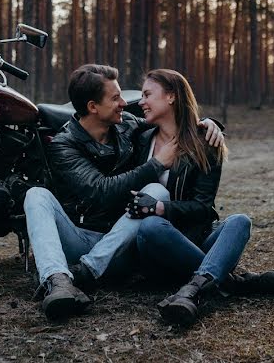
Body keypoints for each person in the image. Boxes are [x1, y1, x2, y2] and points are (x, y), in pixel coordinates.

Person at [23, 64, 224, 320]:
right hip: (81, 238)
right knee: (35, 195)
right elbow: (101, 191)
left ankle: (85, 273)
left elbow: (172, 122)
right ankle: (58, 281)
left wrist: (207, 125)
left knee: (154, 191)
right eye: (115, 98)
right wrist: (157, 164)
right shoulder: (64, 145)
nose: (124, 103)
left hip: (123, 245)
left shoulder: (127, 125)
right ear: (93, 107)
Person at [128, 69, 274, 326]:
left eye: (147, 94)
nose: (141, 101)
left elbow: (202, 208)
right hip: (157, 249)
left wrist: (159, 207)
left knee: (239, 221)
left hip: (196, 238)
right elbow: (116, 113)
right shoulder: (139, 137)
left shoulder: (205, 143)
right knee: (151, 226)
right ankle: (232, 282)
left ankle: (191, 291)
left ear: (170, 97)